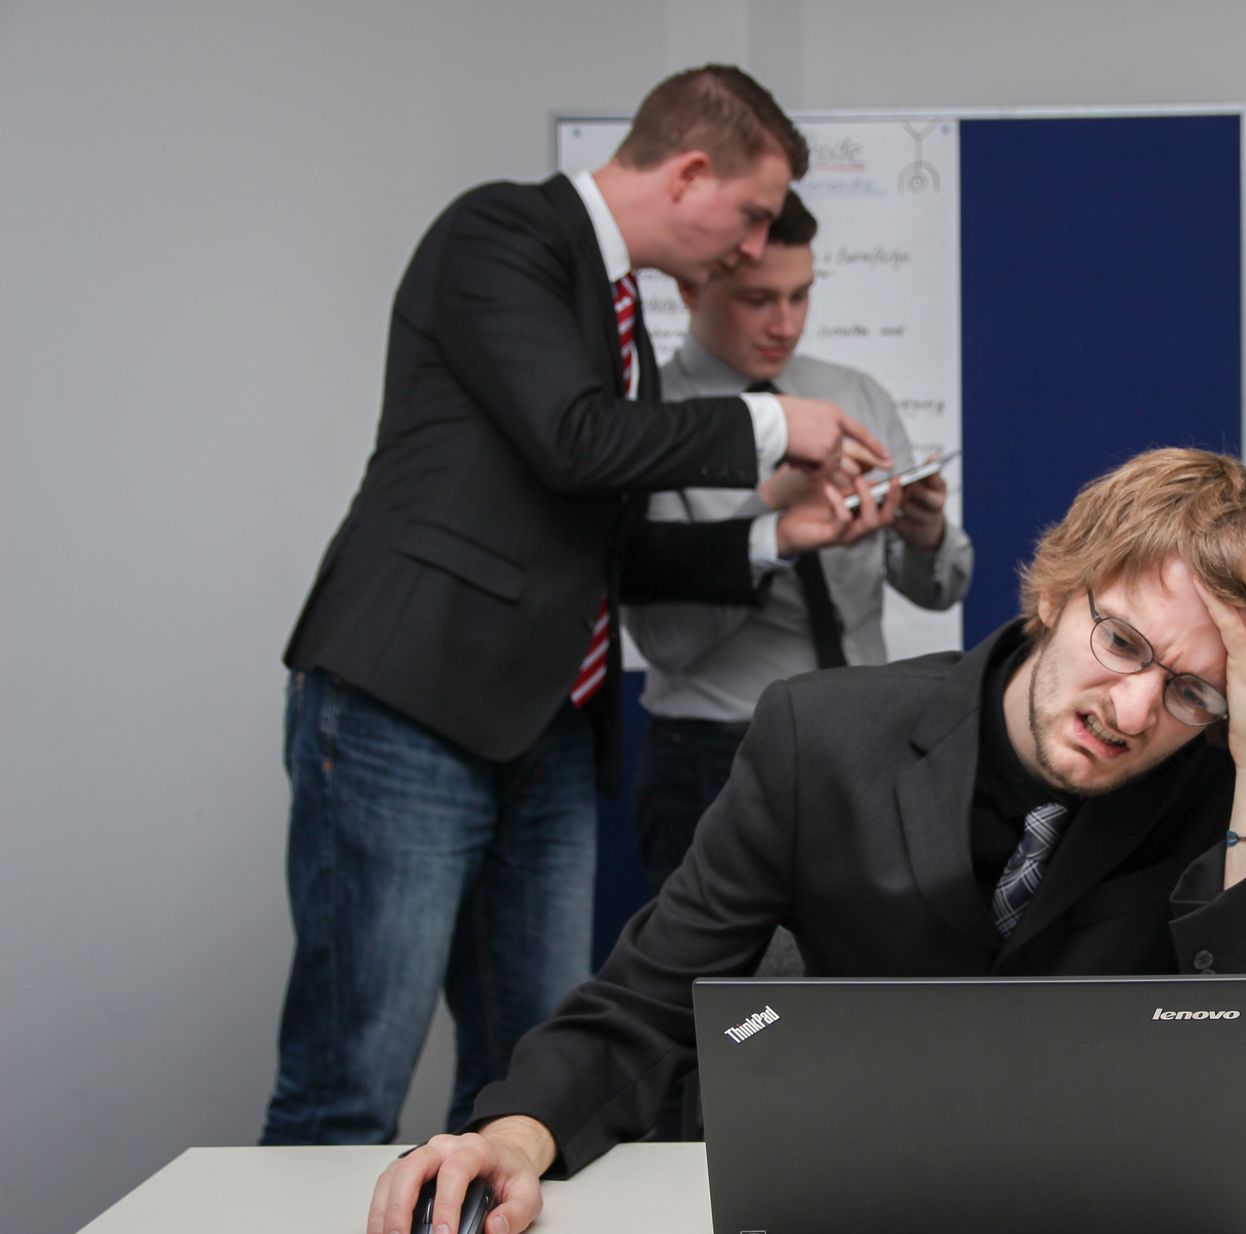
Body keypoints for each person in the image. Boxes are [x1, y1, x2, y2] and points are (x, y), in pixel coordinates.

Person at [364, 448, 1246, 1234]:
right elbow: (646, 997)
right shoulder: (821, 738)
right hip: (834, 1225)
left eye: (1193, 692)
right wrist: (509, 1135)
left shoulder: (1235, 776)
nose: (1135, 710)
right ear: (1057, 591)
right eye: (1123, 643)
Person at [264, 65, 892, 1147]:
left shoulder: (616, 321)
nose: (752, 249)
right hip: (410, 708)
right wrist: (779, 425)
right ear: (690, 171)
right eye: (748, 216)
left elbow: (610, 542)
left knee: (527, 1086)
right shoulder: (499, 236)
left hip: (549, 731)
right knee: (348, 1082)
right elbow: (573, 442)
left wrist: (775, 535)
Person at [625, 188, 974, 900]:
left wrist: (924, 530)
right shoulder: (651, 421)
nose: (785, 322)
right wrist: (772, 519)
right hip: (717, 754)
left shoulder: (854, 393)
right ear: (691, 287)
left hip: (869, 743)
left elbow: (941, 587)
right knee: (720, 1000)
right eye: (757, 299)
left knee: (874, 992)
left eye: (801, 295)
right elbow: (666, 641)